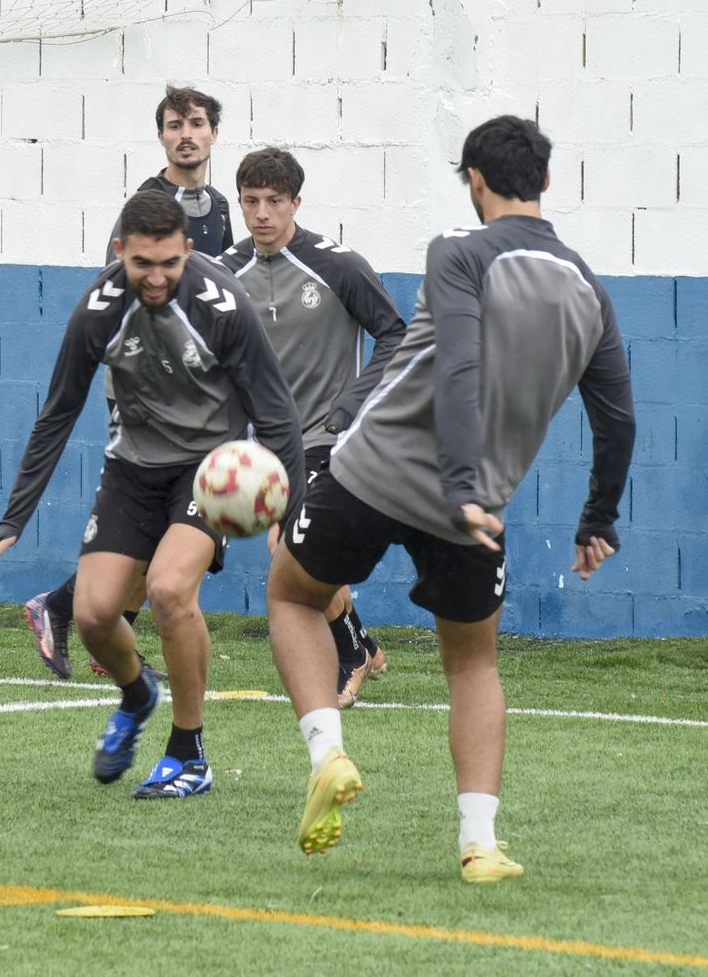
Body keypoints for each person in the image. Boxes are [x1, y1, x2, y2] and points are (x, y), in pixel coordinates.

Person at [265, 116, 634, 882]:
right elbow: (618, 417)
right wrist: (598, 519)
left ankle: (328, 753)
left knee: (295, 596)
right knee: (472, 666)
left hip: (375, 471)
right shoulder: (590, 290)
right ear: (547, 183)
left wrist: (459, 479)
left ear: (474, 180)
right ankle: (479, 843)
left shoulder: (457, 251)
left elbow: (458, 363)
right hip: (478, 510)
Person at [0, 190, 304, 801]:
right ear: (120, 252)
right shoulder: (98, 311)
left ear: (186, 250)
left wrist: (291, 512)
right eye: (142, 264)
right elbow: (58, 413)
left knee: (167, 591)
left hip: (207, 471)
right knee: (95, 615)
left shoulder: (223, 306)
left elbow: (277, 410)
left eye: (169, 264)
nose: (156, 278)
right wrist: (13, 518)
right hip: (131, 468)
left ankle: (189, 753)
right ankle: (137, 693)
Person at [24, 85, 235, 679]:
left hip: (196, 394)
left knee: (174, 531)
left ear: (213, 134)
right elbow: (120, 294)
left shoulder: (218, 205)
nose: (186, 133)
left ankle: (102, 633)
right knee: (161, 524)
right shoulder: (149, 202)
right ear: (162, 135)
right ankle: (65, 608)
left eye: (196, 123)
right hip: (147, 390)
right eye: (174, 125)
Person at [220, 148, 405, 708]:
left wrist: (351, 403)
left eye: (274, 202)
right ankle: (365, 648)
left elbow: (396, 335)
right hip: (267, 447)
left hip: (332, 439)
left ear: (296, 203)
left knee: (294, 555)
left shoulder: (337, 264)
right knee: (303, 559)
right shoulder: (224, 271)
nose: (262, 214)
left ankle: (349, 658)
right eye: (251, 202)